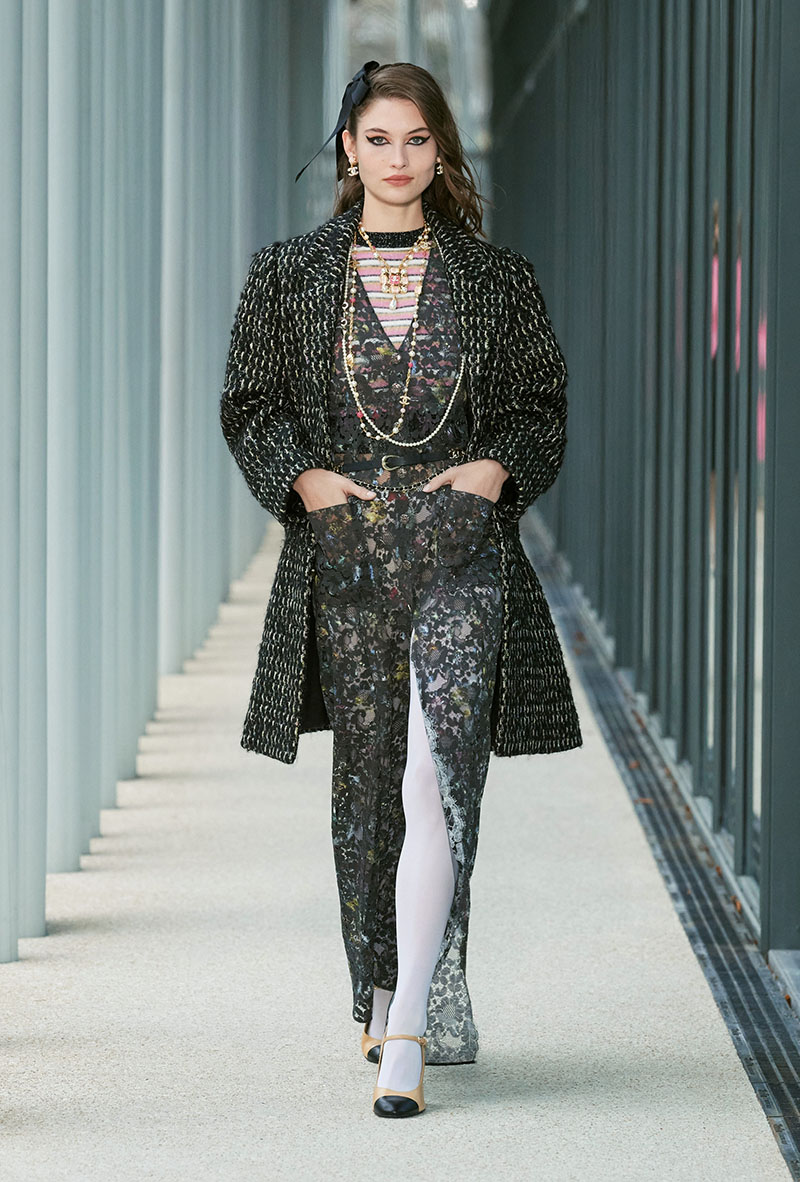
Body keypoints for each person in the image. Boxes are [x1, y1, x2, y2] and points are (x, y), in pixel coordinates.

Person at [219, 61, 582, 1119]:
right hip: (348, 566)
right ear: (348, 147)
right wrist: (301, 479)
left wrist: (493, 471)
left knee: (438, 779)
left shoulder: (496, 279)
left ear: (440, 148)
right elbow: (249, 402)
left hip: (463, 557)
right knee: (370, 788)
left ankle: (411, 1022)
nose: (397, 159)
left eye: (416, 139)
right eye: (378, 139)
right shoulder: (288, 275)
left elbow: (540, 406)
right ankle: (378, 988)